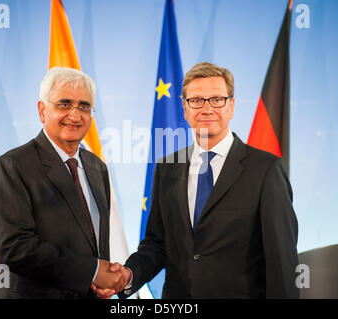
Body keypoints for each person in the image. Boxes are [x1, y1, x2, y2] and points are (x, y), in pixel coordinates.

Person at [94, 62, 299, 299]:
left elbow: (282, 263)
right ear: (185, 107)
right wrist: (128, 276)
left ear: (231, 106)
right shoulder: (167, 167)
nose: (207, 108)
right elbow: (157, 243)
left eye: (216, 99)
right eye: (197, 100)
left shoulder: (266, 169)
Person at [0, 66, 126, 298]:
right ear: (42, 111)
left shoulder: (96, 166)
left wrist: (101, 282)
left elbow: (94, 244)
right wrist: (92, 273)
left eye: (84, 106)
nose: (75, 114)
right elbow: (15, 248)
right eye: (64, 104)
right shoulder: (12, 165)